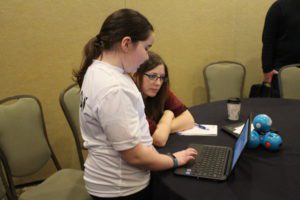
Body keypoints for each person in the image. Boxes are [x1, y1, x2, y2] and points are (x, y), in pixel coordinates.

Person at [73, 8, 197, 200]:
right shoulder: (115, 88)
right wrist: (173, 160)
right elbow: (135, 156)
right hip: (121, 187)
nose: (147, 56)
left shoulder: (96, 70)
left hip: (109, 181)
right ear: (126, 43)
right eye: (146, 48)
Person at [133, 51, 195, 147]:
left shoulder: (161, 91)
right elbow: (159, 140)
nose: (158, 83)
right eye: (152, 76)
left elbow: (189, 120)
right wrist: (168, 114)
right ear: (136, 74)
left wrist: (163, 129)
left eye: (162, 77)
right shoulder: (130, 99)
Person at [261, 0, 300, 97]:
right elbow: (268, 39)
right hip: (281, 71)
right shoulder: (279, 7)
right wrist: (267, 69)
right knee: (283, 109)